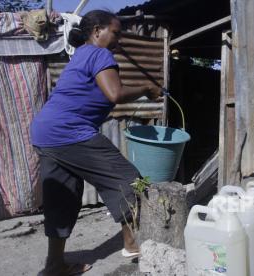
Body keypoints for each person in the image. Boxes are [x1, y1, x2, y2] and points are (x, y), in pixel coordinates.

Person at [30, 10, 162, 276]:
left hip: (44, 131)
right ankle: (132, 244)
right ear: (98, 30)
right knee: (128, 178)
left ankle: (54, 265)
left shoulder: (81, 54)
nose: (119, 40)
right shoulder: (101, 54)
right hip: (69, 131)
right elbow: (114, 93)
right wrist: (147, 89)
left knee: (62, 197)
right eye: (116, 33)